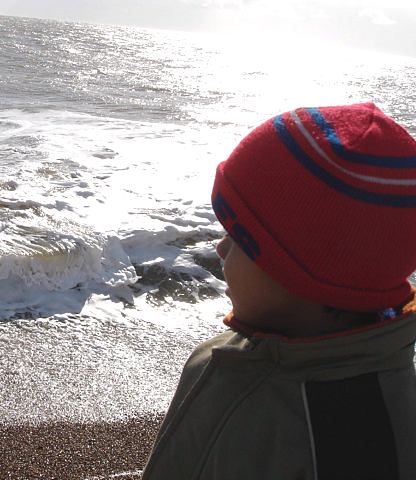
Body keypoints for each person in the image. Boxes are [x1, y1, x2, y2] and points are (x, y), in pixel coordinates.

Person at [141, 103, 416, 480]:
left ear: (305, 277)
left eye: (240, 236)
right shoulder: (220, 357)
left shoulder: (357, 442)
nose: (220, 248)